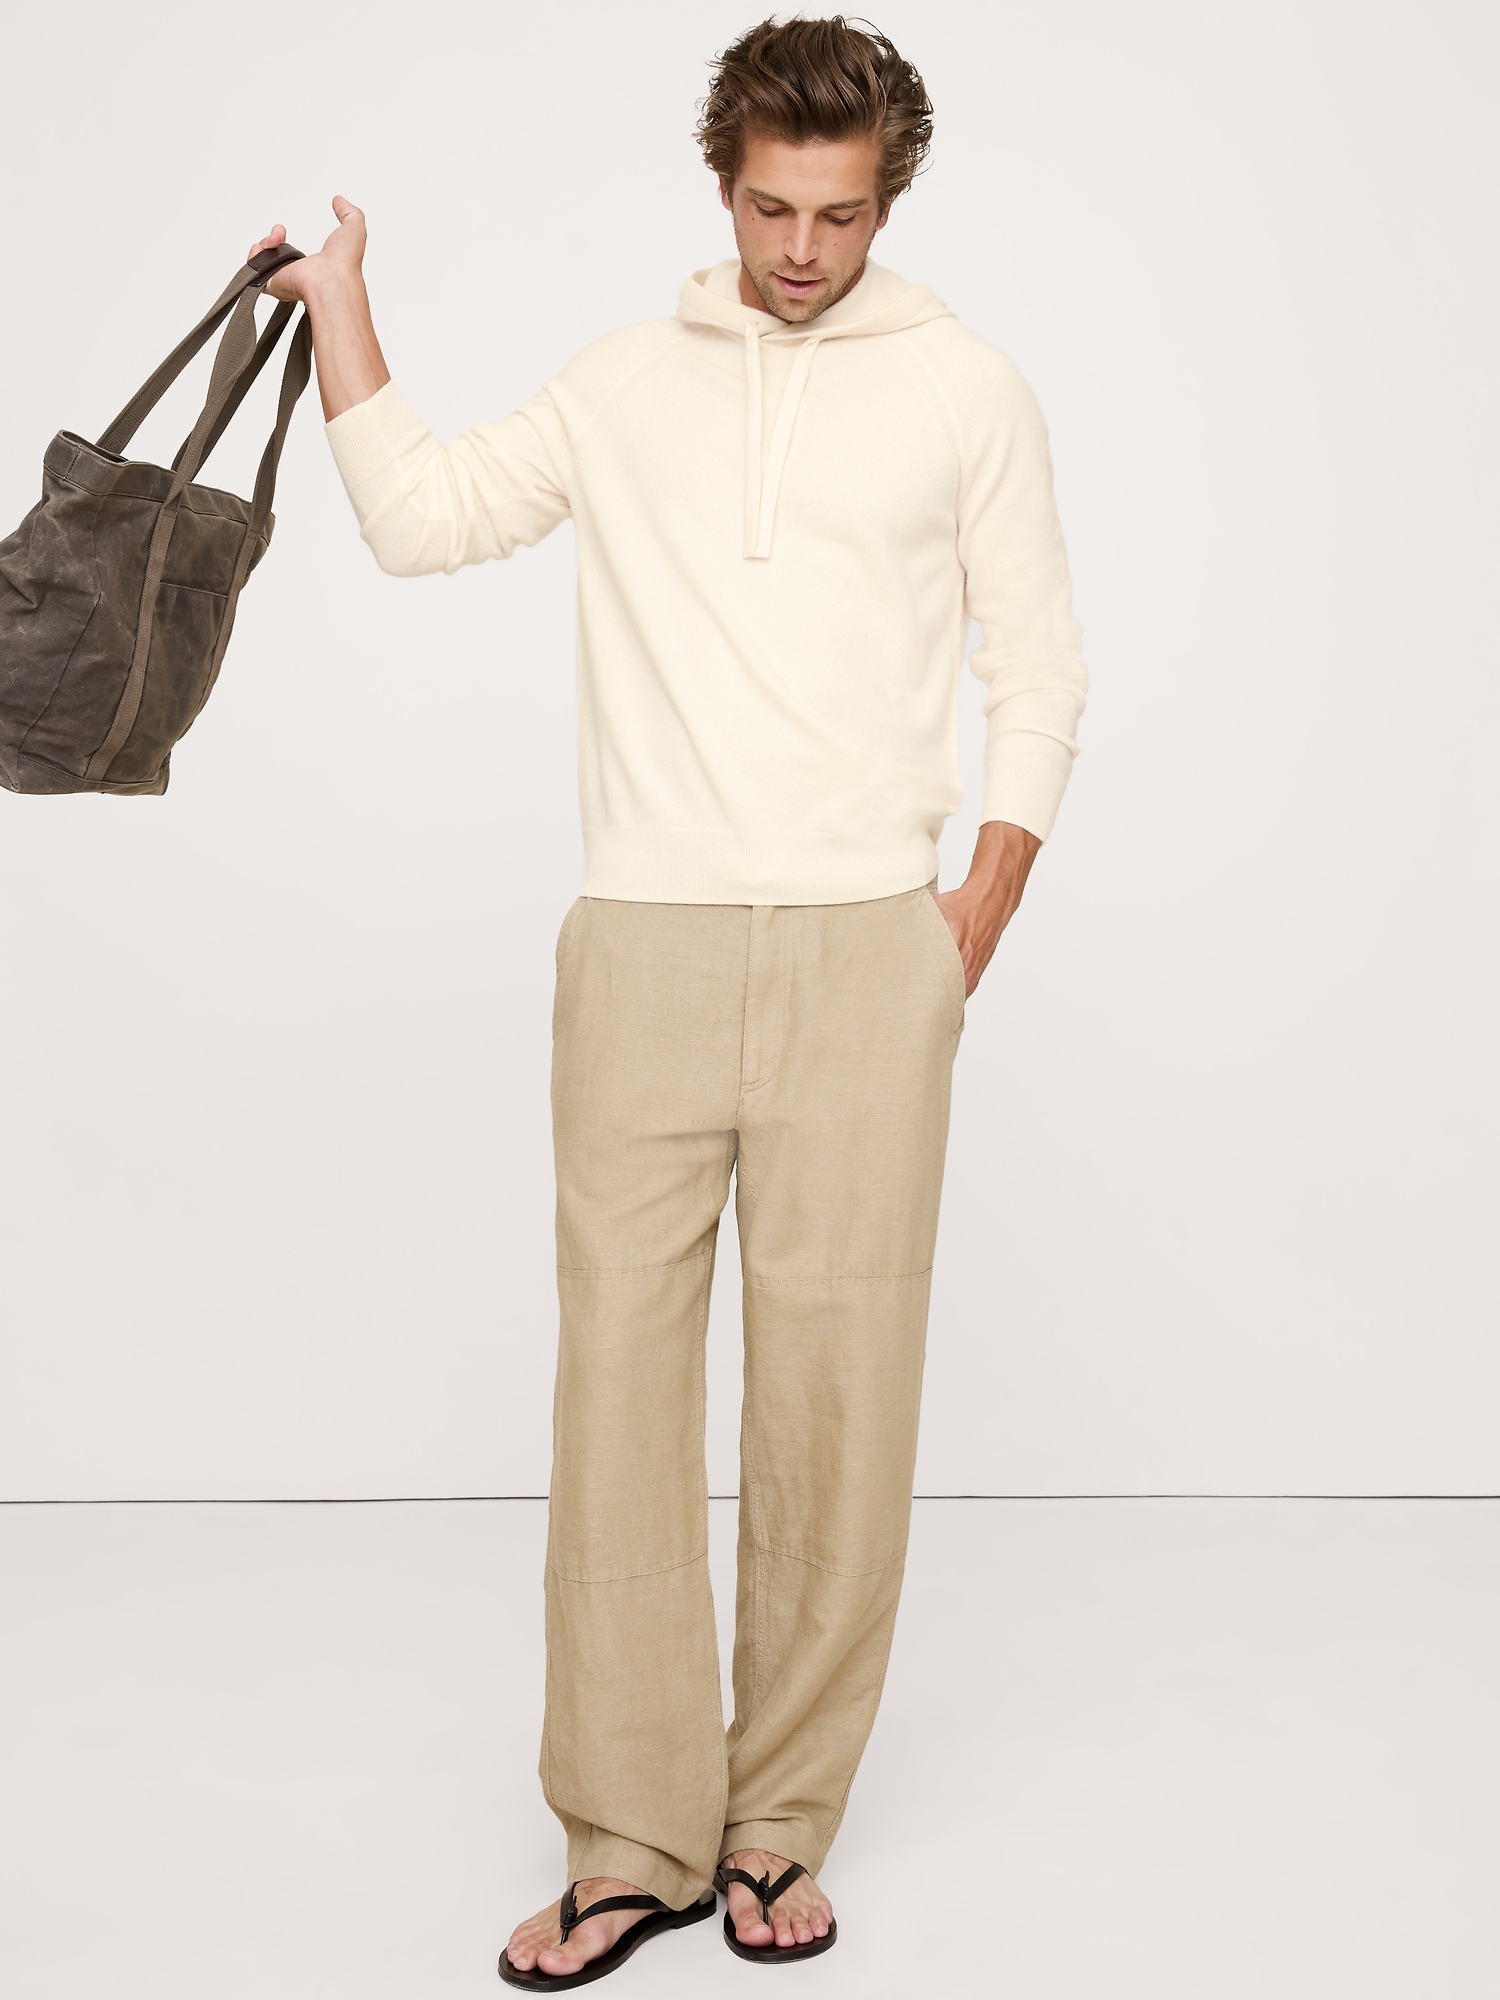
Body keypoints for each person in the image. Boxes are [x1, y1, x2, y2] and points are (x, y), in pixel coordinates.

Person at [252, 15, 1086, 1989]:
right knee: (618, 1388)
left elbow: (1039, 659)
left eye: (843, 215)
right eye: (775, 208)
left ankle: (779, 1815)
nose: (804, 250)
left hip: (869, 945)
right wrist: (346, 309)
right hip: (641, 940)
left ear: (889, 200)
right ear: (723, 185)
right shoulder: (626, 380)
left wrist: (977, 902)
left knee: (837, 1395)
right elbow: (427, 516)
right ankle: (631, 1835)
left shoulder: (964, 386)